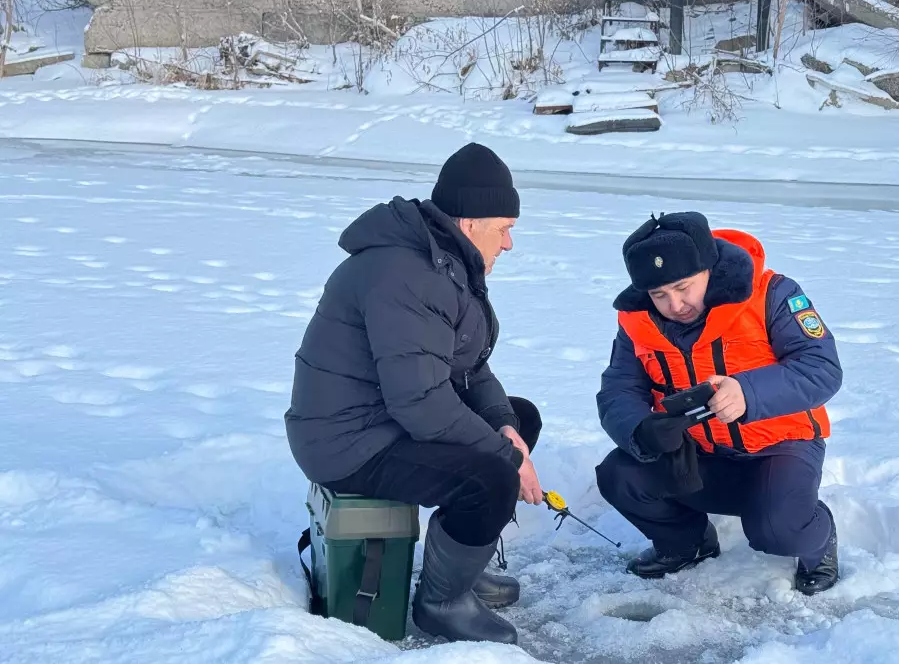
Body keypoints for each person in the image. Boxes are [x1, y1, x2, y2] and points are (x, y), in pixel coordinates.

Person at [284, 142, 543, 645]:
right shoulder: (408, 274)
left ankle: (457, 570)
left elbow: (470, 367)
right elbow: (422, 405)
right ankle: (442, 603)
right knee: (489, 476)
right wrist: (503, 455)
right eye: (504, 228)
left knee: (517, 417)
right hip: (346, 442)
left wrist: (505, 426)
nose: (509, 243)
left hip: (383, 417)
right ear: (469, 223)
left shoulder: (442, 260)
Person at [594, 211, 843, 595]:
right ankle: (686, 544)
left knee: (777, 528)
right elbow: (619, 388)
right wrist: (641, 430)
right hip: (699, 454)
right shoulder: (636, 320)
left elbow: (821, 368)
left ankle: (815, 535)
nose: (674, 304)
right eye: (659, 295)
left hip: (779, 447)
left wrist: (748, 392)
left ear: (708, 268)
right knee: (620, 475)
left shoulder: (772, 294)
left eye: (683, 287)